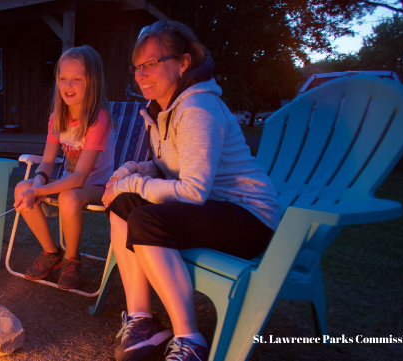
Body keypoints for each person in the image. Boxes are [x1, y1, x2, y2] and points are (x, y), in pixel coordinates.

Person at [101, 20, 281, 361]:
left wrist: (130, 181)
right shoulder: (163, 110)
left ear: (183, 63)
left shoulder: (198, 109)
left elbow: (193, 190)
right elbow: (167, 165)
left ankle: (190, 339)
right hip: (213, 208)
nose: (141, 74)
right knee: (123, 205)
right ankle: (142, 320)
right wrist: (130, 170)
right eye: (137, 66)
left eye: (152, 63)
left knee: (146, 219)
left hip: (249, 218)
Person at [13, 45, 117, 290]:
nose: (68, 86)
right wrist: (37, 184)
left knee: (69, 197)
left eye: (77, 79)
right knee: (21, 187)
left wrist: (38, 192)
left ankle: (72, 259)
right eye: (62, 79)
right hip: (67, 182)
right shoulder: (57, 117)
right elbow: (48, 162)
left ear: (92, 82)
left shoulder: (98, 119)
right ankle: (51, 253)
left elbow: (80, 177)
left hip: (96, 186)